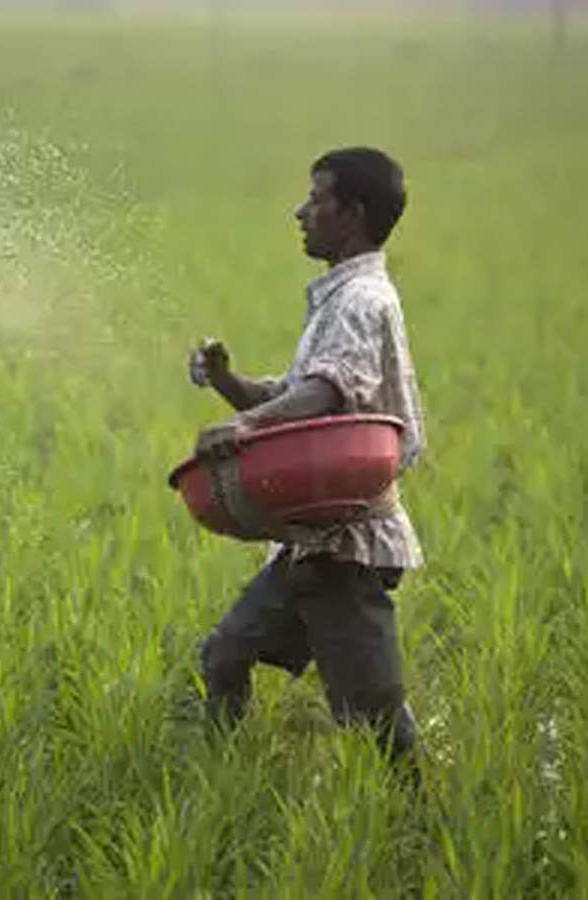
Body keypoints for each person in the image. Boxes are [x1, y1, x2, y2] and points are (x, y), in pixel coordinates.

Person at [191, 147, 426, 781]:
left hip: (346, 548)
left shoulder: (360, 299)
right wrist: (229, 384)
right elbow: (302, 394)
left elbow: (327, 393)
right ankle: (225, 787)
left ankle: (422, 826)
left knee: (376, 719)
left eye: (316, 199)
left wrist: (244, 425)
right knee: (224, 653)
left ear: (352, 214)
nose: (301, 212)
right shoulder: (340, 296)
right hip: (313, 542)